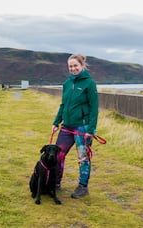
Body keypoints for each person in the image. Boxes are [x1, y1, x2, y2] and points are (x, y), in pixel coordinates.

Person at [52, 53, 99, 198]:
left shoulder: (89, 84)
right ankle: (55, 182)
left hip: (82, 127)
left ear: (82, 66)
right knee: (58, 154)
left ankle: (83, 187)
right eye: (70, 66)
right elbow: (63, 105)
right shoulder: (67, 84)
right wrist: (56, 122)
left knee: (83, 157)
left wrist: (90, 130)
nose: (73, 69)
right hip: (66, 126)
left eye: (75, 66)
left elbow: (94, 108)